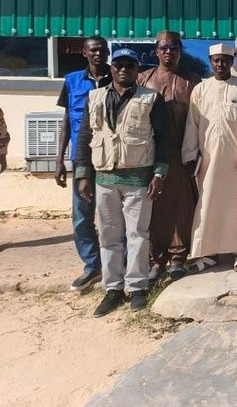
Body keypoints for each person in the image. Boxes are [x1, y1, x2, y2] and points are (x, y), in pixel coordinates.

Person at [74, 48, 170, 317]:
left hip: (139, 179)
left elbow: (164, 139)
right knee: (108, 236)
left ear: (137, 70)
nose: (124, 69)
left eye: (130, 65)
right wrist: (83, 175)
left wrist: (159, 173)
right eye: (119, 65)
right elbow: (84, 137)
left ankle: (137, 288)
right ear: (111, 68)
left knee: (137, 235)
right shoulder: (95, 97)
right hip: (104, 179)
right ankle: (113, 289)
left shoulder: (151, 99)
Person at [182, 43, 237, 273]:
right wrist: (189, 154)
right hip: (207, 160)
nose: (220, 63)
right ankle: (207, 253)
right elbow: (192, 125)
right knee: (208, 205)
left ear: (231, 59)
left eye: (225, 59)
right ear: (210, 61)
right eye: (216, 60)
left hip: (236, 162)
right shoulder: (200, 90)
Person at [137, 31, 201, 282]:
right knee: (154, 207)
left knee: (183, 206)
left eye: (174, 48)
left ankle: (178, 257)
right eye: (164, 47)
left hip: (183, 155)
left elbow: (200, 121)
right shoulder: (143, 79)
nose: (169, 52)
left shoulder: (193, 80)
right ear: (156, 50)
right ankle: (156, 258)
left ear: (180, 51)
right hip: (150, 156)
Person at [55, 36, 111, 292]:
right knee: (81, 216)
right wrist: (60, 159)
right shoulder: (72, 81)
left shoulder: (120, 75)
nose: (99, 53)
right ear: (84, 53)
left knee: (113, 216)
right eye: (93, 50)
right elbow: (67, 120)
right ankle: (92, 266)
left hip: (112, 157)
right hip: (82, 160)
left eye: (102, 49)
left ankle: (115, 266)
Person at [0, 107, 9, 173]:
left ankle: (3, 169)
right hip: (3, 139)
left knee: (2, 154)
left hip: (3, 139)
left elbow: (3, 132)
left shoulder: (1, 122)